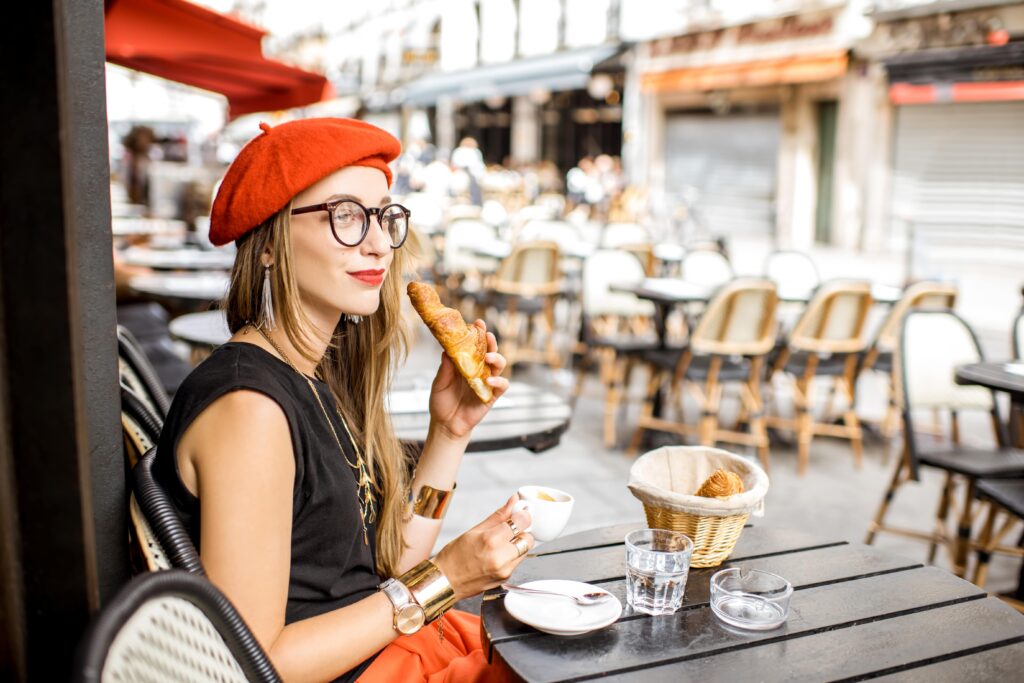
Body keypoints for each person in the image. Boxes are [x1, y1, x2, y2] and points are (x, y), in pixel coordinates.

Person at [153, 118, 530, 682]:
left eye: (383, 215)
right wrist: (446, 579)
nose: (378, 241)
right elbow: (255, 662)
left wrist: (449, 433)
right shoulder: (248, 411)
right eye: (346, 215)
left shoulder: (312, 374)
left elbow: (386, 567)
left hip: (385, 653)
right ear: (267, 244)